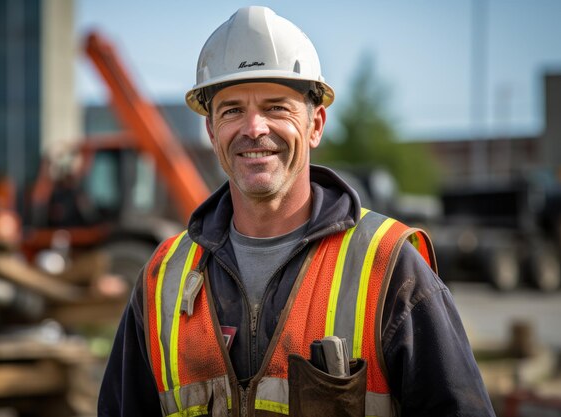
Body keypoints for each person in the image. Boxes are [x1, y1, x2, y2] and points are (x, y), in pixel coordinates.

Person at [98, 6, 495, 417]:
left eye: (276, 107)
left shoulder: (389, 267)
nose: (254, 128)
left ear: (316, 124)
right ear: (212, 131)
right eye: (232, 109)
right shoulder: (162, 280)